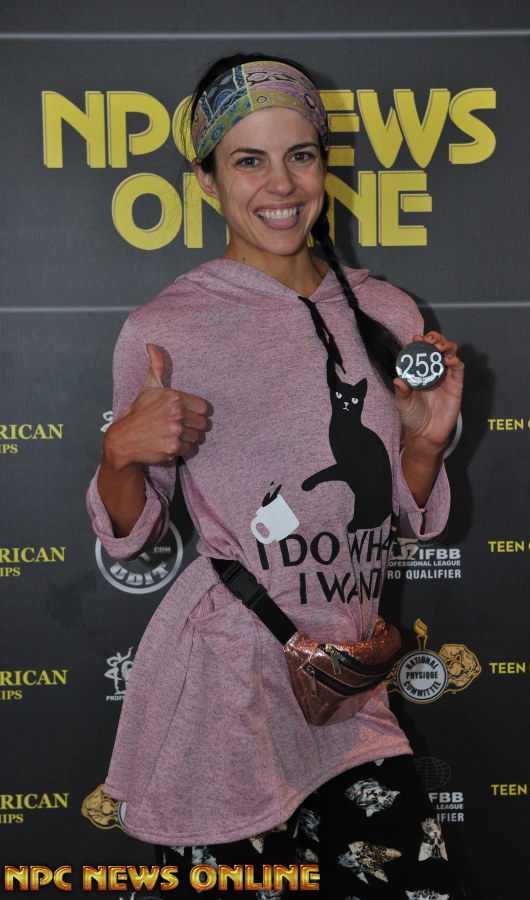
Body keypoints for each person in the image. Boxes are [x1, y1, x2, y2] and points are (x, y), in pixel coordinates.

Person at [87, 54, 466, 898]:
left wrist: (423, 447)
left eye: (300, 155)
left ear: (323, 164)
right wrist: (120, 454)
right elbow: (131, 531)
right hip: (225, 689)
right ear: (206, 180)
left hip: (345, 692)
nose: (280, 184)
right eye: (248, 160)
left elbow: (398, 512)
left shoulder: (384, 311)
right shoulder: (165, 327)